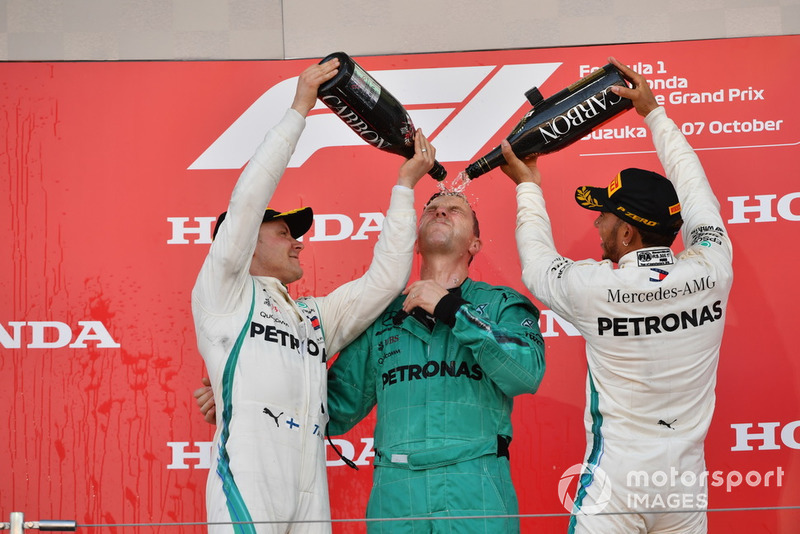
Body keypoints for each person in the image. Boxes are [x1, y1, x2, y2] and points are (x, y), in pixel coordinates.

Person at [192, 57, 434, 534]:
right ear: (246, 242)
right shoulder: (223, 293)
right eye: (283, 232)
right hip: (248, 480)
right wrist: (299, 110)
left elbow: (384, 283)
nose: (297, 241)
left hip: (309, 484)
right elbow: (246, 202)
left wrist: (404, 188)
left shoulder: (311, 315)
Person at [499, 56, 733, 533]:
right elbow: (696, 192)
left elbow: (538, 264)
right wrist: (655, 114)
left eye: (603, 216)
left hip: (616, 486)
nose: (595, 223)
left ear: (626, 235)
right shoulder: (714, 267)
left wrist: (528, 186)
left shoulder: (597, 288)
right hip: (685, 487)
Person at [325, 190, 546, 533]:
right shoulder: (380, 316)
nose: (441, 212)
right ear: (415, 243)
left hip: (476, 489)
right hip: (396, 496)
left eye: (455, 210)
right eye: (432, 209)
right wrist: (248, 394)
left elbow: (526, 372)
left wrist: (452, 310)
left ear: (475, 244)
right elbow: (333, 407)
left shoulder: (501, 305)